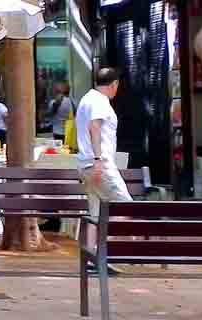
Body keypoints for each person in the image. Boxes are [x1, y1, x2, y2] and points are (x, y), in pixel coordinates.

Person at [77, 67, 128, 274]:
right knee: (125, 207)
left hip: (85, 164)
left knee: (96, 212)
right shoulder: (99, 101)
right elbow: (95, 127)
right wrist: (99, 159)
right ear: (114, 84)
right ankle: (105, 255)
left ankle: (92, 256)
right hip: (99, 164)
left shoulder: (86, 99)